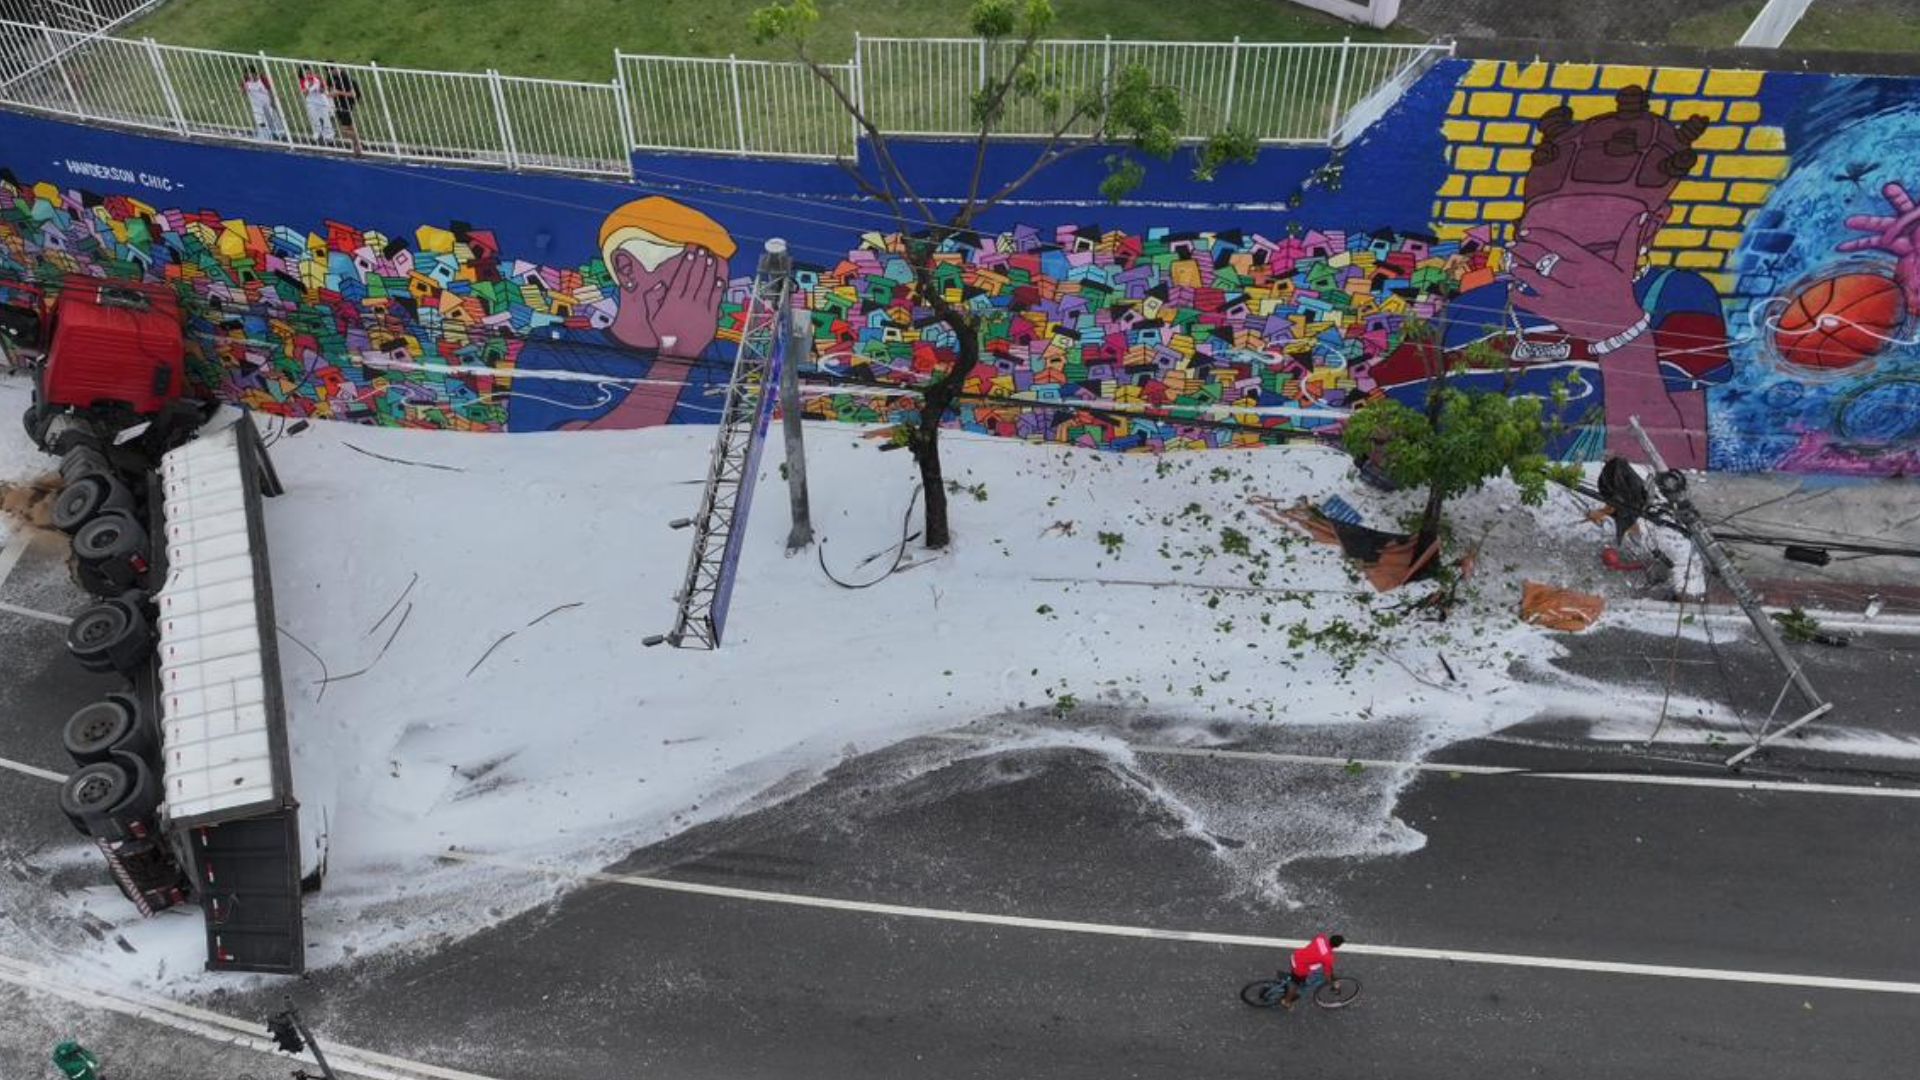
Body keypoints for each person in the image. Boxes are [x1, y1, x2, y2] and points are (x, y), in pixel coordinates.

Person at [1278, 932, 1344, 1009]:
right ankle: (1286, 1002)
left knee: (1300, 976)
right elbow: (1327, 974)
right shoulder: (1328, 958)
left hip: (1295, 956)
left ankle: (1291, 979)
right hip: (1299, 968)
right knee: (1296, 986)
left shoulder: (1321, 938)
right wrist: (1331, 983)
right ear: (1338, 946)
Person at [241, 65, 287, 141]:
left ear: (254, 73)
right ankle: (266, 137)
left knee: (273, 120)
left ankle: (279, 135)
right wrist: (244, 89)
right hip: (257, 107)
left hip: (267, 104)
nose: (249, 76)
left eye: (251, 74)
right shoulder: (246, 83)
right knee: (261, 122)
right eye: (247, 74)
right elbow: (243, 93)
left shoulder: (262, 79)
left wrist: (273, 99)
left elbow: (270, 89)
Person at [326, 65, 362, 156]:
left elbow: (353, 94)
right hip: (338, 103)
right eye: (331, 71)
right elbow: (330, 91)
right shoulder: (330, 77)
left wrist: (338, 92)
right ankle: (357, 146)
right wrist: (331, 94)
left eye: (334, 70)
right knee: (350, 127)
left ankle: (357, 144)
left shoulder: (345, 77)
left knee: (344, 130)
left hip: (346, 103)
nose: (334, 73)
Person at [298, 66, 335, 142]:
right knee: (314, 117)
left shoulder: (317, 78)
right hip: (311, 101)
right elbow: (305, 93)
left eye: (309, 72)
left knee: (325, 117)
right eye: (306, 73)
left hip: (321, 100)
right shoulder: (303, 81)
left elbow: (323, 90)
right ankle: (317, 132)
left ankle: (328, 134)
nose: (308, 74)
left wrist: (319, 87)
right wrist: (311, 86)